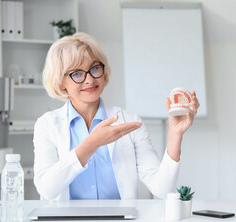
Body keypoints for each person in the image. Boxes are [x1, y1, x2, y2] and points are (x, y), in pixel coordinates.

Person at [33, 32, 200, 200]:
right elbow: (47, 190)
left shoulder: (130, 122)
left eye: (95, 68)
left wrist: (175, 134)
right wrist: (92, 143)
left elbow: (162, 189)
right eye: (77, 73)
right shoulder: (47, 125)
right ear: (61, 82)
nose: (90, 79)